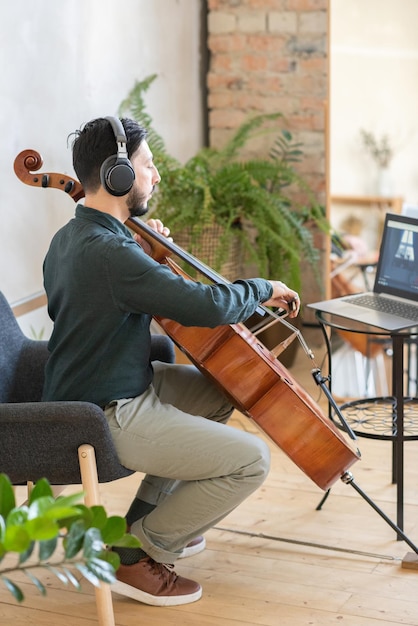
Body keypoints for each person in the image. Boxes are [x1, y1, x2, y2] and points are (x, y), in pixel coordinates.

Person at [42, 116, 300, 607]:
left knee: (222, 390)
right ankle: (138, 553)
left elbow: (102, 298)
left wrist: (137, 246)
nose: (155, 175)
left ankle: (150, 522)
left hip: (109, 381)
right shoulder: (112, 254)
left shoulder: (71, 240)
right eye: (148, 164)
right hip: (105, 410)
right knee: (251, 460)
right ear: (118, 175)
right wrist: (264, 288)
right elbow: (206, 307)